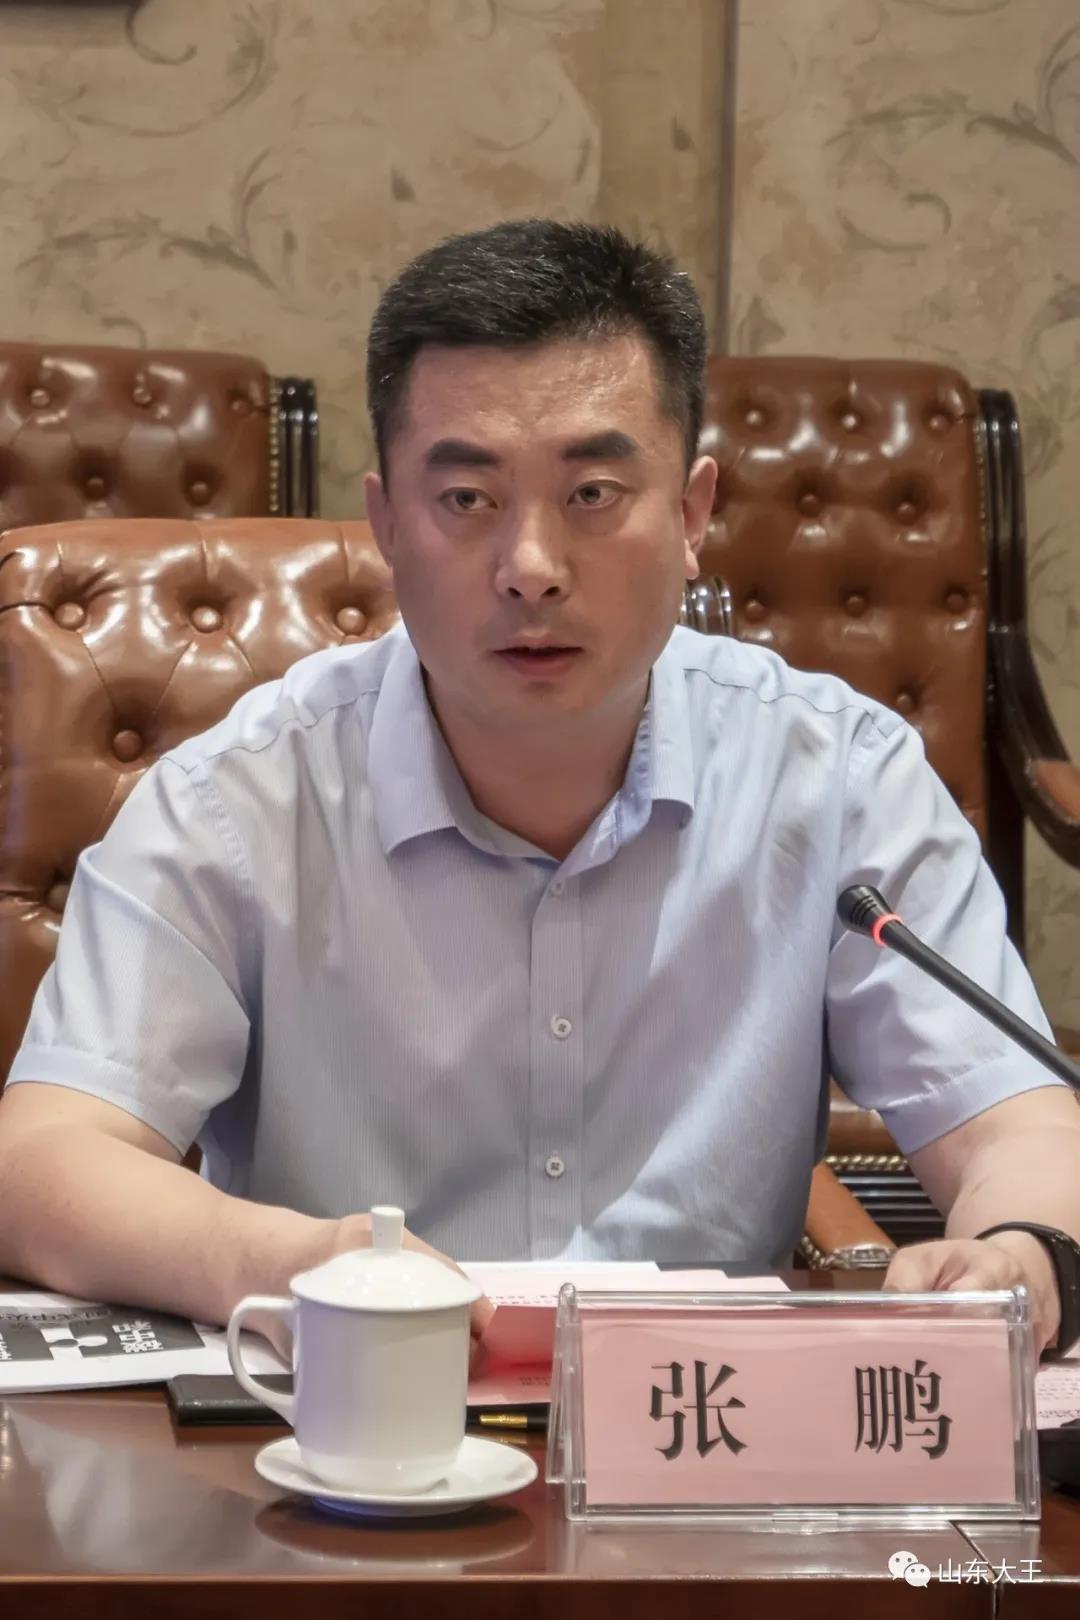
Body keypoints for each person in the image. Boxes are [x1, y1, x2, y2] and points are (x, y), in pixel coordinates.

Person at [1, 219, 1078, 1361]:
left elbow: (1015, 1119)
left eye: (594, 492)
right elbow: (42, 1161)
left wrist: (1022, 1249)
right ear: (385, 525)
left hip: (710, 1430)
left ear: (693, 515)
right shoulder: (239, 799)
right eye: (467, 499)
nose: (531, 568)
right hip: (348, 1424)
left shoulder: (840, 777)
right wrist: (300, 1263)